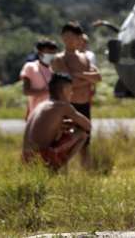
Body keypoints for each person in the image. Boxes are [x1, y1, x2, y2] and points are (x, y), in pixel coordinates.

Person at [51, 22, 101, 168]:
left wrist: (79, 75)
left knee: (85, 142)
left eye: (71, 37)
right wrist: (86, 79)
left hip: (84, 104)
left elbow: (98, 77)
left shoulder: (84, 58)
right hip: (67, 106)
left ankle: (86, 174)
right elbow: (67, 82)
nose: (68, 40)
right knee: (65, 140)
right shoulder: (59, 58)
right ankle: (62, 172)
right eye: (65, 36)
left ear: (79, 38)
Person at [22, 74, 91, 171]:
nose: (71, 93)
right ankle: (56, 170)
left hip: (25, 158)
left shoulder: (41, 105)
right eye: (70, 90)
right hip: (40, 157)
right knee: (82, 134)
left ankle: (52, 167)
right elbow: (88, 126)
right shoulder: (62, 106)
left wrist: (63, 124)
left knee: (63, 130)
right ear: (63, 90)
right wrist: (73, 123)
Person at [20, 38, 58, 120]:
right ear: (40, 52)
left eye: (53, 52)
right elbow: (26, 91)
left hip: (53, 113)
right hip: (36, 113)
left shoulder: (56, 69)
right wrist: (47, 91)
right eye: (48, 52)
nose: (51, 55)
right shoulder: (30, 67)